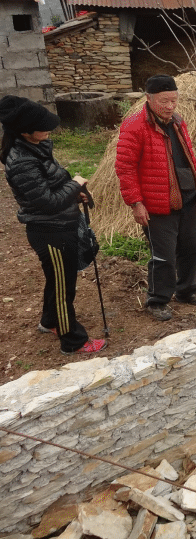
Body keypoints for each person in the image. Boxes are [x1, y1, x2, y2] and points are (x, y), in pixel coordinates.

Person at [0, 95, 107, 354]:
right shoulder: (23, 160)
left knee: (58, 279)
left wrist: (73, 192)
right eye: (43, 126)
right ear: (25, 131)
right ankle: (73, 340)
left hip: (59, 225)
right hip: (50, 231)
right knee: (63, 286)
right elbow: (48, 202)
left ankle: (49, 322)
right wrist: (76, 184)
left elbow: (51, 183)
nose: (50, 129)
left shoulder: (36, 147)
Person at [115, 75, 196, 322]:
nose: (170, 106)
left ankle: (186, 290)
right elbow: (125, 168)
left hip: (185, 198)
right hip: (157, 203)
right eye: (164, 101)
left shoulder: (177, 122)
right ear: (148, 98)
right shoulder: (135, 126)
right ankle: (157, 300)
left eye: (174, 100)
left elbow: (188, 158)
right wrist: (136, 202)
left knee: (191, 248)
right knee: (163, 255)